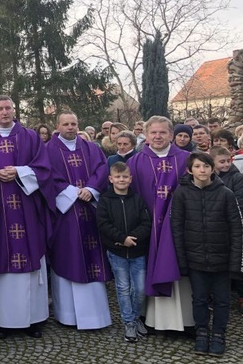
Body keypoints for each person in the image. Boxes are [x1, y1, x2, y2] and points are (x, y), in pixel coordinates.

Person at [0, 95, 53, 338]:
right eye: (0, 109)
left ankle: (33, 320)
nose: (5, 112)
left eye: (8, 108)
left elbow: (44, 167)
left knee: (30, 258)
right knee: (1, 261)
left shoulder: (30, 136)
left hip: (28, 208)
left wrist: (19, 171)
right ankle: (3, 321)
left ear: (14, 110)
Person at [171, 152, 241, 357]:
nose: (202, 170)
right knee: (199, 298)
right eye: (198, 166)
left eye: (206, 166)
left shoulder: (226, 194)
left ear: (213, 169)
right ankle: (202, 331)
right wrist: (182, 260)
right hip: (195, 258)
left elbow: (236, 228)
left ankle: (219, 333)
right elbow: (177, 228)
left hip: (222, 258)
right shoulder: (182, 193)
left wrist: (235, 261)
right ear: (190, 170)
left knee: (222, 300)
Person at [126, 115, 193, 332]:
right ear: (146, 135)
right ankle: (153, 320)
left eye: (162, 132)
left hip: (180, 228)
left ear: (171, 135)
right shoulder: (135, 162)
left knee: (181, 272)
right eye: (153, 132)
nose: (157, 136)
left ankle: (187, 321)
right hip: (148, 229)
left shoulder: (187, 159)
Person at [46, 111, 112, 330]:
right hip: (64, 215)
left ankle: (96, 316)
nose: (71, 127)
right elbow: (46, 176)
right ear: (57, 126)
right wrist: (73, 192)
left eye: (74, 123)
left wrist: (91, 189)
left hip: (90, 211)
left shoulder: (91, 148)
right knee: (68, 256)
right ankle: (67, 315)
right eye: (66, 124)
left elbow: (102, 169)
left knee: (92, 256)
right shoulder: (47, 150)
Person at [96, 162, 151, 342]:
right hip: (117, 251)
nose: (121, 180)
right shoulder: (105, 200)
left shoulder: (138, 199)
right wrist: (121, 239)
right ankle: (129, 322)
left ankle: (136, 318)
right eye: (118, 177)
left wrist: (133, 238)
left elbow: (146, 222)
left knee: (140, 289)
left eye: (125, 177)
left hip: (137, 250)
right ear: (111, 179)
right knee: (123, 288)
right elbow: (103, 224)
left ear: (130, 179)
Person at [210, 146, 243, 310]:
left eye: (228, 161)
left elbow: (238, 201)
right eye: (221, 162)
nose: (226, 165)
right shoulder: (208, 178)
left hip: (229, 224)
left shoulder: (236, 177)